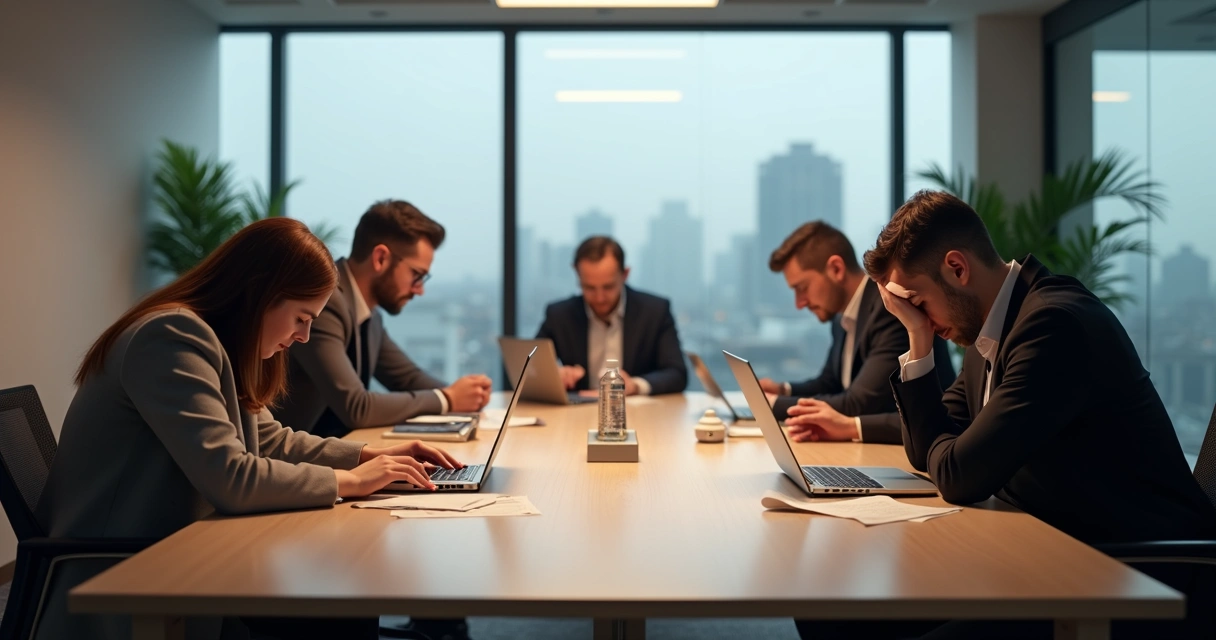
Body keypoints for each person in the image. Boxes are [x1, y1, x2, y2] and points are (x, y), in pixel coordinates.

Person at [797, 190, 1216, 640]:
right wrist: (919, 339)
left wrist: (945, 431)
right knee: (828, 612)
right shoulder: (992, 328)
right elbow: (929, 452)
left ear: (957, 269)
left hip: (1130, 574)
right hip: (1049, 552)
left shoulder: (1053, 326)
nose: (915, 316)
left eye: (916, 302)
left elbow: (958, 475)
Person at [35, 218, 463, 640]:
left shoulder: (211, 340)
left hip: (180, 545)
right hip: (124, 568)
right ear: (260, 293)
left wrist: (367, 457)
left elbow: (270, 439)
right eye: (300, 318)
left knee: (339, 594)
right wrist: (350, 481)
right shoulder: (172, 338)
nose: (303, 336)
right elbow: (231, 477)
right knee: (336, 604)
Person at [276, 200, 492, 440]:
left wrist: (465, 393)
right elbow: (356, 407)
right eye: (416, 275)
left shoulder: (369, 315)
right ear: (380, 258)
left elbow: (407, 378)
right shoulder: (325, 302)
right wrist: (448, 398)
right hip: (288, 462)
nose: (419, 290)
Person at [760, 221, 955, 444]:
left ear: (836, 269)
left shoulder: (888, 308)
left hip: (917, 451)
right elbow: (830, 382)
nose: (799, 303)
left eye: (802, 288)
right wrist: (783, 390)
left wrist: (773, 404)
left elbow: (859, 404)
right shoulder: (842, 316)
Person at [536, 235, 687, 396]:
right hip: (576, 414)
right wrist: (554, 376)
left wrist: (634, 386)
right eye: (589, 288)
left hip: (636, 414)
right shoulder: (560, 315)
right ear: (577, 275)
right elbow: (527, 368)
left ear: (625, 274)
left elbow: (676, 373)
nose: (599, 298)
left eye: (608, 287)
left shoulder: (655, 312)